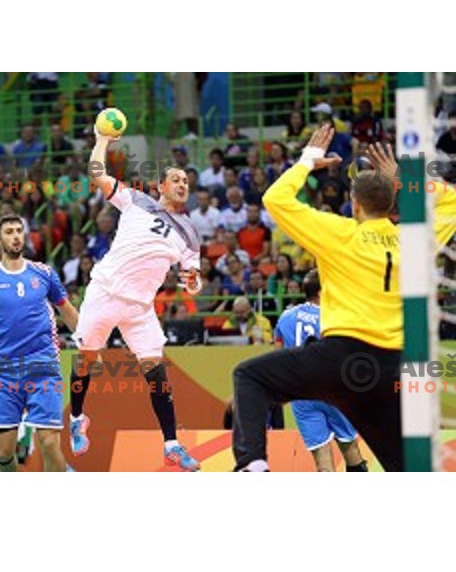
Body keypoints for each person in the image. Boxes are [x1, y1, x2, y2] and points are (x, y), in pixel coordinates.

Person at [232, 126, 456, 472]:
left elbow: (275, 199)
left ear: (354, 205)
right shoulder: (418, 239)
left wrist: (307, 159)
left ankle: (253, 466)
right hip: (392, 371)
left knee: (250, 377)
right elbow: (452, 199)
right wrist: (404, 178)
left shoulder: (339, 233)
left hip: (339, 359)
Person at [69, 127, 202, 471]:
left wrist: (191, 281)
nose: (182, 184)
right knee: (86, 361)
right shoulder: (134, 199)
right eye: (176, 180)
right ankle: (77, 418)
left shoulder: (189, 232)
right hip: (105, 292)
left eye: (186, 181)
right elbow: (97, 174)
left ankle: (171, 444)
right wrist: (101, 140)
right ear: (161, 186)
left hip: (140, 308)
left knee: (156, 373)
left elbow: (194, 282)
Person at [0, 214, 79, 472]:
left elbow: (68, 312)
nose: (16, 236)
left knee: (49, 443)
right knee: (4, 452)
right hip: (4, 370)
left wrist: (90, 343)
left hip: (43, 364)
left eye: (19, 230)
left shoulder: (44, 273)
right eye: (9, 231)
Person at [274, 269, 367, 472]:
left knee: (323, 464)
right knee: (351, 451)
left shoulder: (286, 317)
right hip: (334, 391)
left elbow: (278, 355)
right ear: (321, 292)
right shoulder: (337, 317)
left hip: (303, 396)